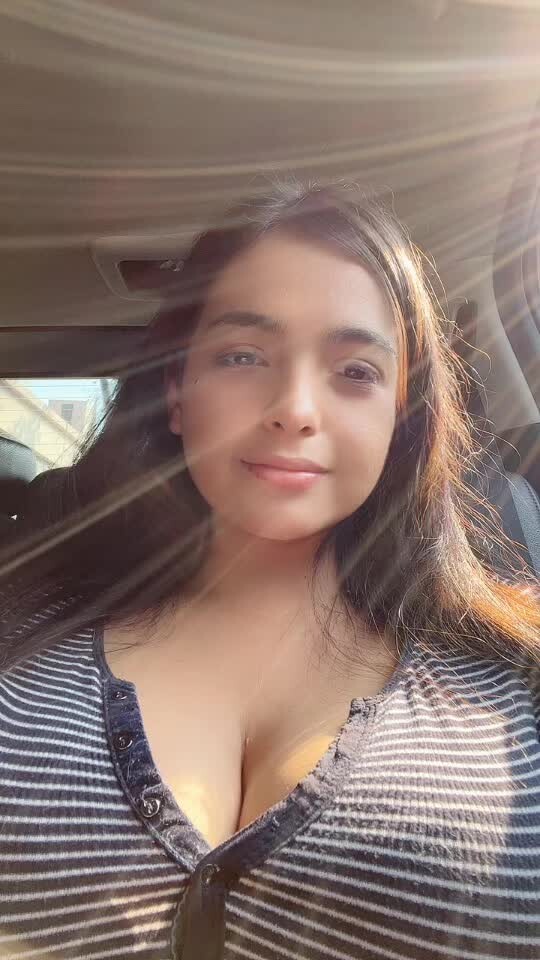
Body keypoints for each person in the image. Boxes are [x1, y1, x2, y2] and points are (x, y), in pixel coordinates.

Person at [0, 178, 539, 960]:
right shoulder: (18, 641)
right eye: (243, 356)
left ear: (401, 415)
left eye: (356, 371)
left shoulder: (516, 682)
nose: (295, 408)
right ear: (177, 393)